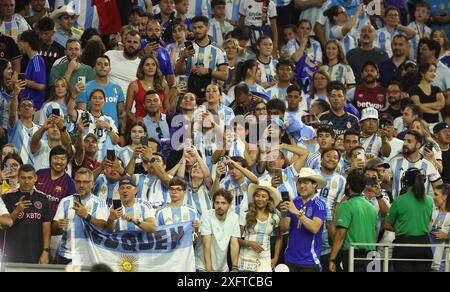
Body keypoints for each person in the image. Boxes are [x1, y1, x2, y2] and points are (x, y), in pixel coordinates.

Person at [52, 168, 109, 265]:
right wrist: (57, 225)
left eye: (85, 182)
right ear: (74, 183)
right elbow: (53, 229)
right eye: (78, 182)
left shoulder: (100, 203)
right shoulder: (65, 201)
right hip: (66, 254)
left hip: (90, 254)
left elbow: (104, 226)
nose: (81, 185)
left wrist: (86, 216)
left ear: (92, 183)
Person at [279, 168, 328, 272]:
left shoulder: (319, 204)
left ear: (314, 185)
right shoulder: (293, 202)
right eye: (299, 183)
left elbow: (314, 228)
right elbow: (283, 228)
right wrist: (284, 213)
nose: (301, 186)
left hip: (309, 261)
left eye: (306, 183)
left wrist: (297, 212)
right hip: (290, 259)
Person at [386, 168, 434, 272]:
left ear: (405, 182)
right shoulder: (429, 200)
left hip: (403, 245)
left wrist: (401, 227)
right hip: (424, 244)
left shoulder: (399, 201)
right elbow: (429, 221)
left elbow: (387, 224)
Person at [329, 170, 378, 272]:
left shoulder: (345, 205)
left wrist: (332, 258)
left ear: (348, 186)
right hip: (373, 255)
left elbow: (340, 235)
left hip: (353, 256)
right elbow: (375, 232)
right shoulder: (372, 207)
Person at [1, 164, 51, 264]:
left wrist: (45, 251)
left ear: (35, 178)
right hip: (12, 252)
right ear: (18, 178)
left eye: (30, 178)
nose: (27, 181)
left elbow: (46, 227)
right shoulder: (8, 196)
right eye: (23, 178)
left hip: (35, 251)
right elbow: (5, 225)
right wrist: (17, 210)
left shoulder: (43, 198)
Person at [76, 55, 126, 139]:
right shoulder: (85, 87)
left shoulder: (117, 88)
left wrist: (122, 135)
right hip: (91, 134)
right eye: (99, 64)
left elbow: (121, 114)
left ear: (110, 69)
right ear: (94, 68)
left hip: (112, 134)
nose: (103, 66)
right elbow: (82, 113)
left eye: (106, 64)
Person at [238, 181, 282, 272]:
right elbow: (235, 239)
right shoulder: (246, 215)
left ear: (268, 199)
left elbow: (280, 237)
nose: (260, 199)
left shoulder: (274, 217)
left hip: (265, 260)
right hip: (246, 258)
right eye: (257, 196)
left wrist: (276, 258)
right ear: (253, 198)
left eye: (263, 196)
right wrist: (249, 243)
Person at [69, 88, 120, 162]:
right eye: (94, 98)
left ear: (104, 101)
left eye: (100, 98)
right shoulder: (82, 115)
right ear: (90, 101)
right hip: (84, 158)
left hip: (102, 161)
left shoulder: (109, 120)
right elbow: (70, 113)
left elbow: (116, 141)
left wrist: (108, 127)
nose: (97, 100)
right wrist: (73, 96)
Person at [389, 130, 443, 199]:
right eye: (404, 140)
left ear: (418, 145)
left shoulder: (428, 165)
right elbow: (388, 182)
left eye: (409, 141)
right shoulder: (394, 161)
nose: (405, 143)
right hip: (399, 207)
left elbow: (439, 188)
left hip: (421, 207)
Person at [198, 189, 240, 272]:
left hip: (222, 266)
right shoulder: (207, 215)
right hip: (203, 265)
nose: (219, 206)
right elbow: (206, 244)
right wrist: (209, 269)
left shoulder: (234, 217)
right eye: (217, 203)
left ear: (230, 204)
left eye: (223, 203)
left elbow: (234, 244)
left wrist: (234, 267)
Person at [175, 16, 228, 82]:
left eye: (200, 27)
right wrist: (182, 58)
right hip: (189, 90)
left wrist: (208, 71)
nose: (197, 30)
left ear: (207, 28)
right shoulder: (185, 48)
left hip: (209, 91)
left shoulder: (219, 50)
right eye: (194, 28)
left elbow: (225, 76)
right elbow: (177, 71)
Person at [35, 145, 76, 217]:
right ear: (50, 159)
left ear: (67, 162)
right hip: (34, 219)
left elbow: (70, 208)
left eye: (62, 159)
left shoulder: (70, 183)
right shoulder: (39, 174)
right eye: (55, 158)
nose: (59, 162)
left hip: (54, 224)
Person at [105, 30, 141, 98]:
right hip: (107, 100)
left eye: (135, 42)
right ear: (123, 42)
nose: (131, 45)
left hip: (130, 104)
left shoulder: (141, 65)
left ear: (139, 46)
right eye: (129, 42)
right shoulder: (109, 55)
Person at [17, 30, 46, 110]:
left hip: (34, 107)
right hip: (27, 107)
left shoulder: (37, 61)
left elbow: (40, 86)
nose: (19, 44)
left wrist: (21, 80)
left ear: (27, 43)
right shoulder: (32, 60)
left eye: (21, 41)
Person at [36, 17, 65, 85]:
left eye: (46, 34)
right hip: (36, 81)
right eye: (41, 33)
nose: (43, 36)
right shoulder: (34, 46)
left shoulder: (60, 49)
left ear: (53, 32)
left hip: (53, 83)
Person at [430, 184, 450, 272]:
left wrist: (447, 236)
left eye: (436, 195)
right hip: (426, 262)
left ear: (445, 196)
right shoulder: (431, 211)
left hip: (444, 266)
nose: (433, 197)